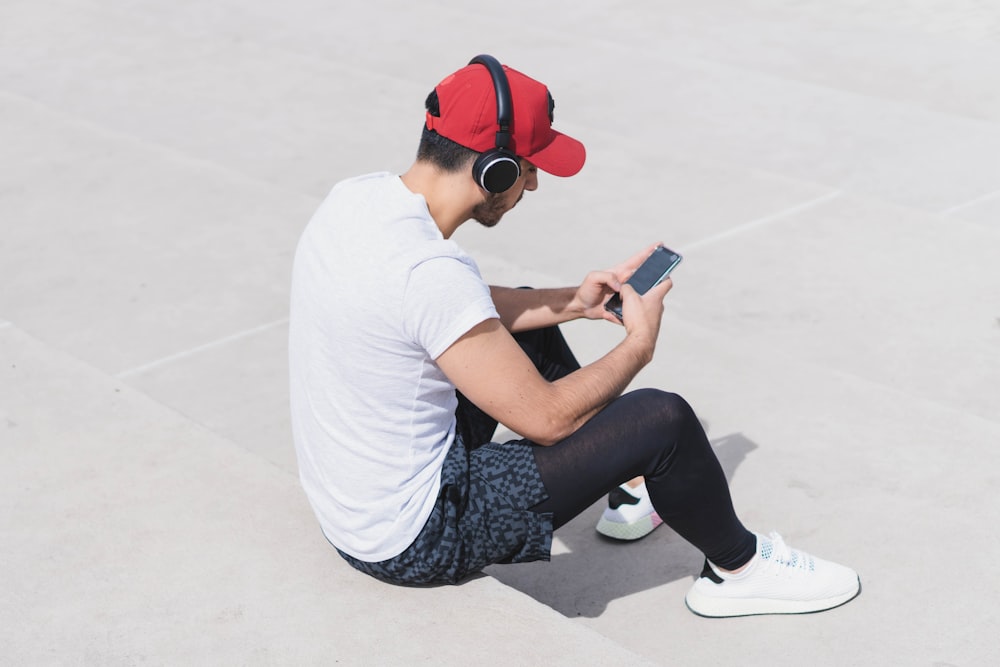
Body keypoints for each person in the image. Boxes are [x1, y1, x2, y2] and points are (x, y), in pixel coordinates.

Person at [288, 55, 861, 617]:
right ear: (497, 172)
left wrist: (572, 304)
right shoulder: (430, 273)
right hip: (415, 537)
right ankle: (740, 570)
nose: (533, 185)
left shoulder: (358, 200)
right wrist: (639, 344)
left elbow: (455, 310)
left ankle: (632, 478)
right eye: (529, 168)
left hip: (353, 506)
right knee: (662, 419)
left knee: (530, 330)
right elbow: (546, 420)